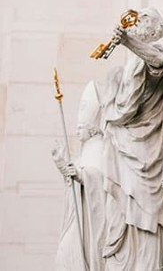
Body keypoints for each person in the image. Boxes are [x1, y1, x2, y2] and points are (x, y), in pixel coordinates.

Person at [99, 7, 163, 269]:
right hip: (125, 150)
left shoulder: (161, 51)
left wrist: (128, 42)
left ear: (155, 29)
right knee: (120, 217)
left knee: (147, 219)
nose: (137, 21)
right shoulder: (129, 66)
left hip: (147, 155)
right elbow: (123, 107)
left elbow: (157, 62)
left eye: (144, 18)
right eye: (137, 17)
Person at [52, 82, 107, 271]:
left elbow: (102, 181)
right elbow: (72, 183)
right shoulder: (85, 151)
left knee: (67, 255)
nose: (77, 131)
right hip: (76, 220)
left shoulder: (99, 147)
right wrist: (62, 164)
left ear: (92, 129)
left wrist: (82, 175)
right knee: (64, 256)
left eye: (81, 128)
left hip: (88, 226)